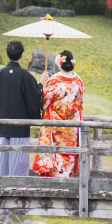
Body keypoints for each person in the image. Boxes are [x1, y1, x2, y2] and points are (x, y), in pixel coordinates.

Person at [0, 41, 46, 176]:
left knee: (1, 165)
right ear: (21, 56)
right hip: (20, 128)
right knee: (19, 164)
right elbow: (35, 96)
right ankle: (19, 190)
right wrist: (42, 82)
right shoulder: (26, 76)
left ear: (6, 55)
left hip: (1, 127)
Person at [33, 50, 84, 178]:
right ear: (72, 63)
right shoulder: (78, 80)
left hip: (55, 124)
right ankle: (68, 177)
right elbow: (80, 102)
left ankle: (56, 180)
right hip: (72, 124)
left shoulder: (54, 80)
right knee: (69, 154)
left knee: (55, 153)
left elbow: (45, 100)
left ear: (59, 64)